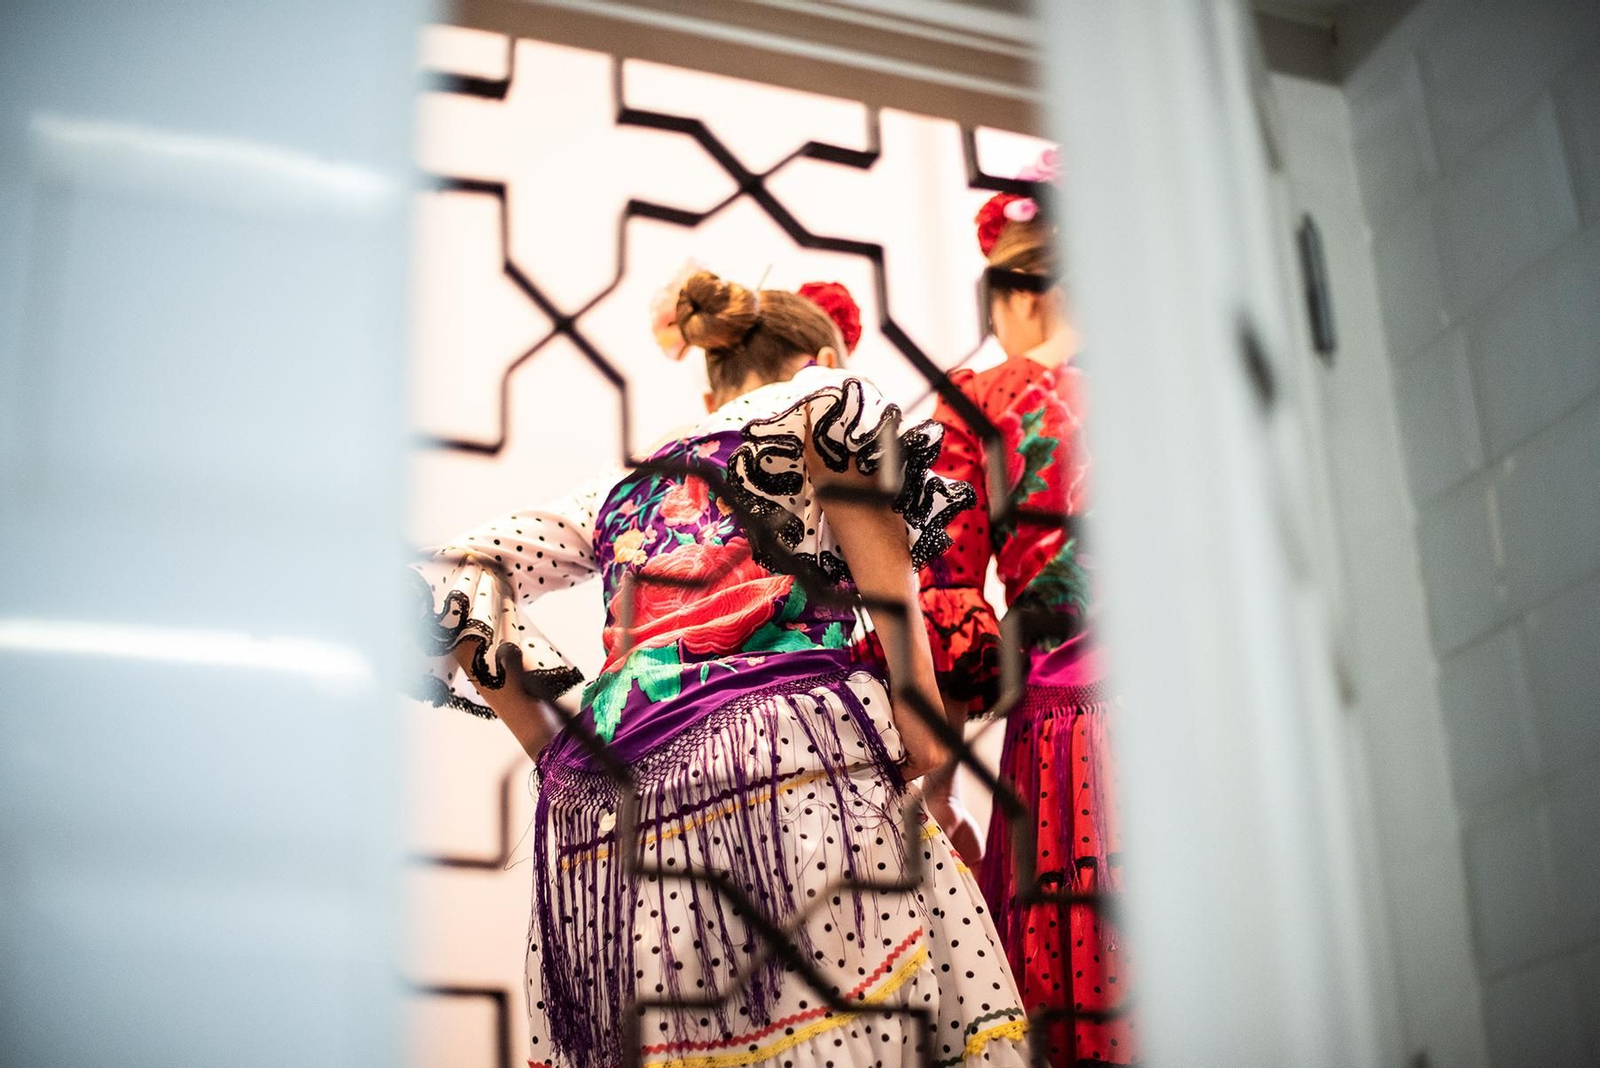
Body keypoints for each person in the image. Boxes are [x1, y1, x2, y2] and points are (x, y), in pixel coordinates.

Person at [411, 271, 1032, 1068]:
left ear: (710, 393)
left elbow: (452, 578)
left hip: (613, 819)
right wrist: (926, 731)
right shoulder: (823, 399)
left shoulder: (615, 487)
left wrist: (554, 754)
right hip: (788, 763)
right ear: (818, 355)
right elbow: (888, 586)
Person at [918, 153, 1136, 1066]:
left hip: (1066, 745)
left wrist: (930, 773)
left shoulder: (979, 402)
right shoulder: (1165, 385)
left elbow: (946, 595)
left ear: (1015, 294)